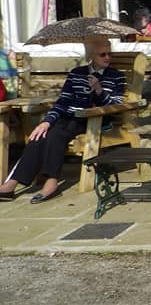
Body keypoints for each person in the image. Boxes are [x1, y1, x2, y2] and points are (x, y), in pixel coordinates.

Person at [0, 35, 125, 203]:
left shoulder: (115, 76)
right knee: (39, 134)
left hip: (94, 119)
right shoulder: (76, 74)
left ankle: (52, 182)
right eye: (102, 54)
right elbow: (63, 102)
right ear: (90, 57)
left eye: (109, 54)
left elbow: (116, 105)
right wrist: (46, 121)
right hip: (69, 117)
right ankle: (13, 183)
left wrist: (99, 90)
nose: (108, 57)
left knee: (56, 134)